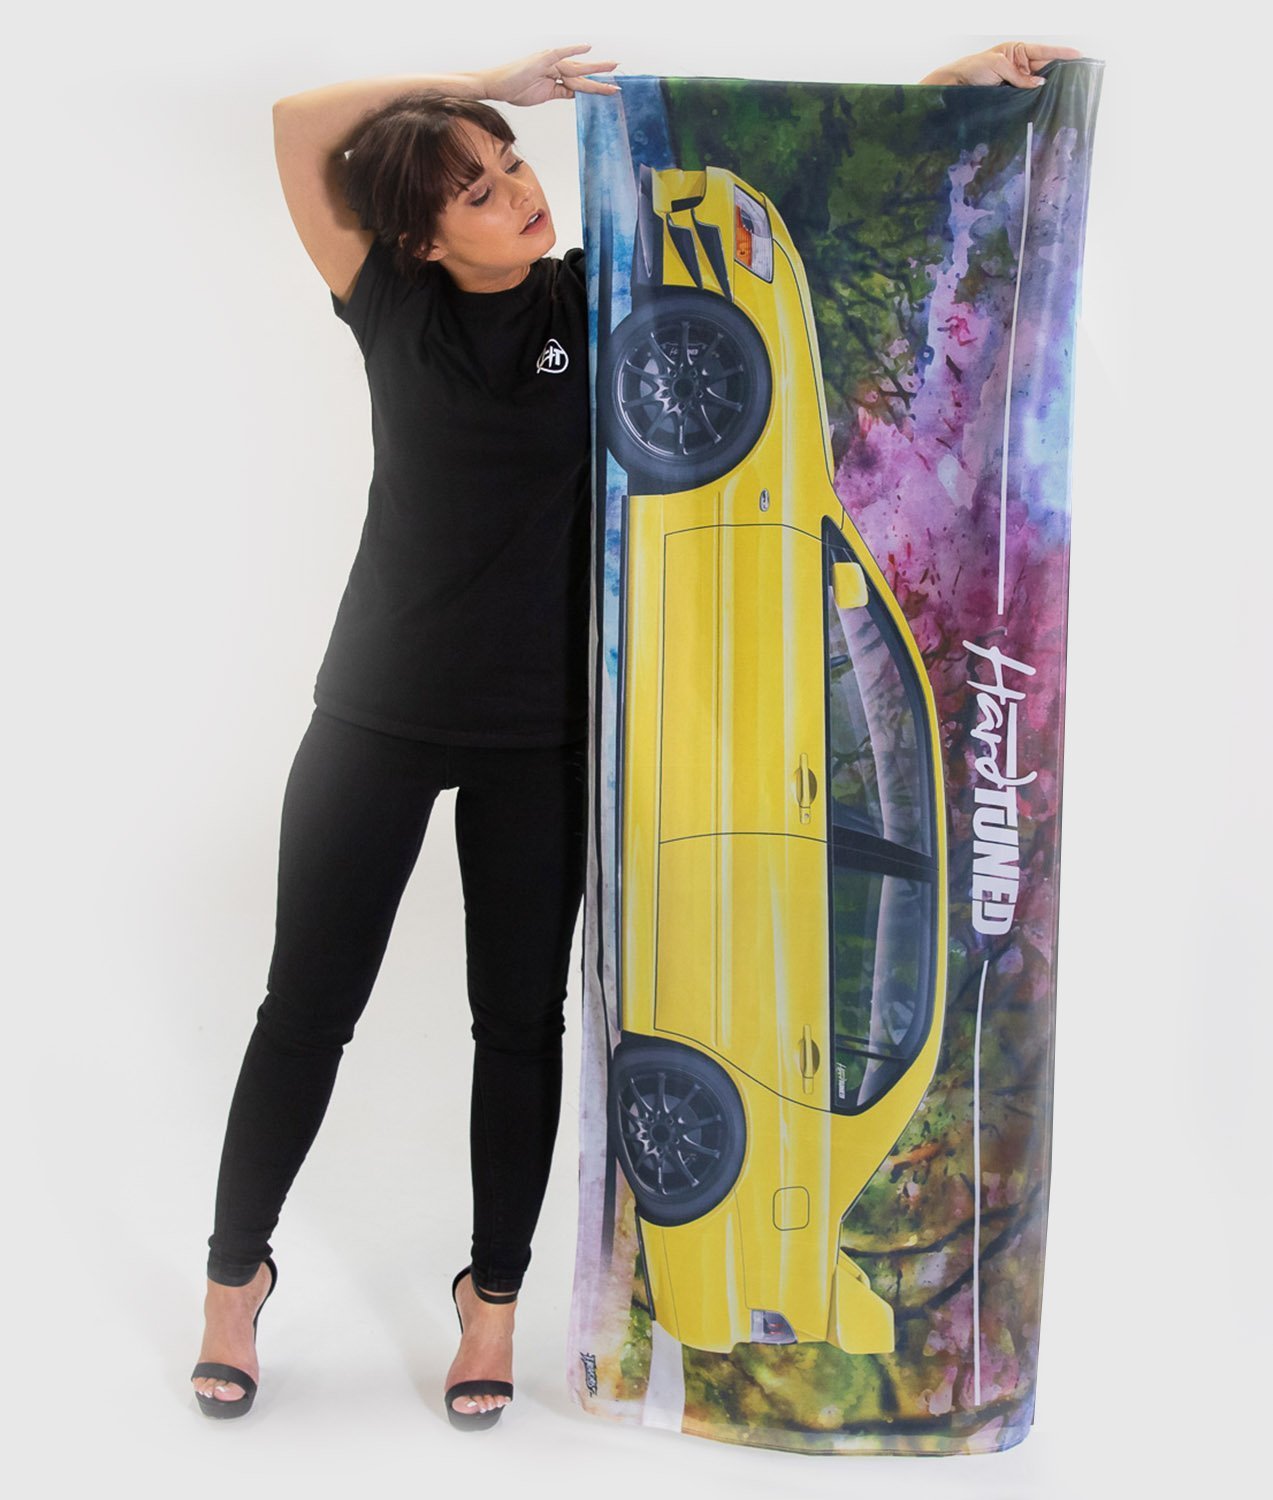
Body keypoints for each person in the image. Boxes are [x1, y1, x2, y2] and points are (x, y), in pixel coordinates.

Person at [190, 38, 1083, 1429]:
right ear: (419, 240)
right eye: (477, 191)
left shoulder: (599, 295)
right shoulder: (388, 308)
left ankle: (490, 1305)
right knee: (305, 1012)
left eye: (511, 167)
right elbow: (301, 121)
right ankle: (232, 1286)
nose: (518, 192)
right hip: (372, 716)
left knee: (518, 1025)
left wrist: (954, 88)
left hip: (546, 741)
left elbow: (790, 194)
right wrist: (487, 84)